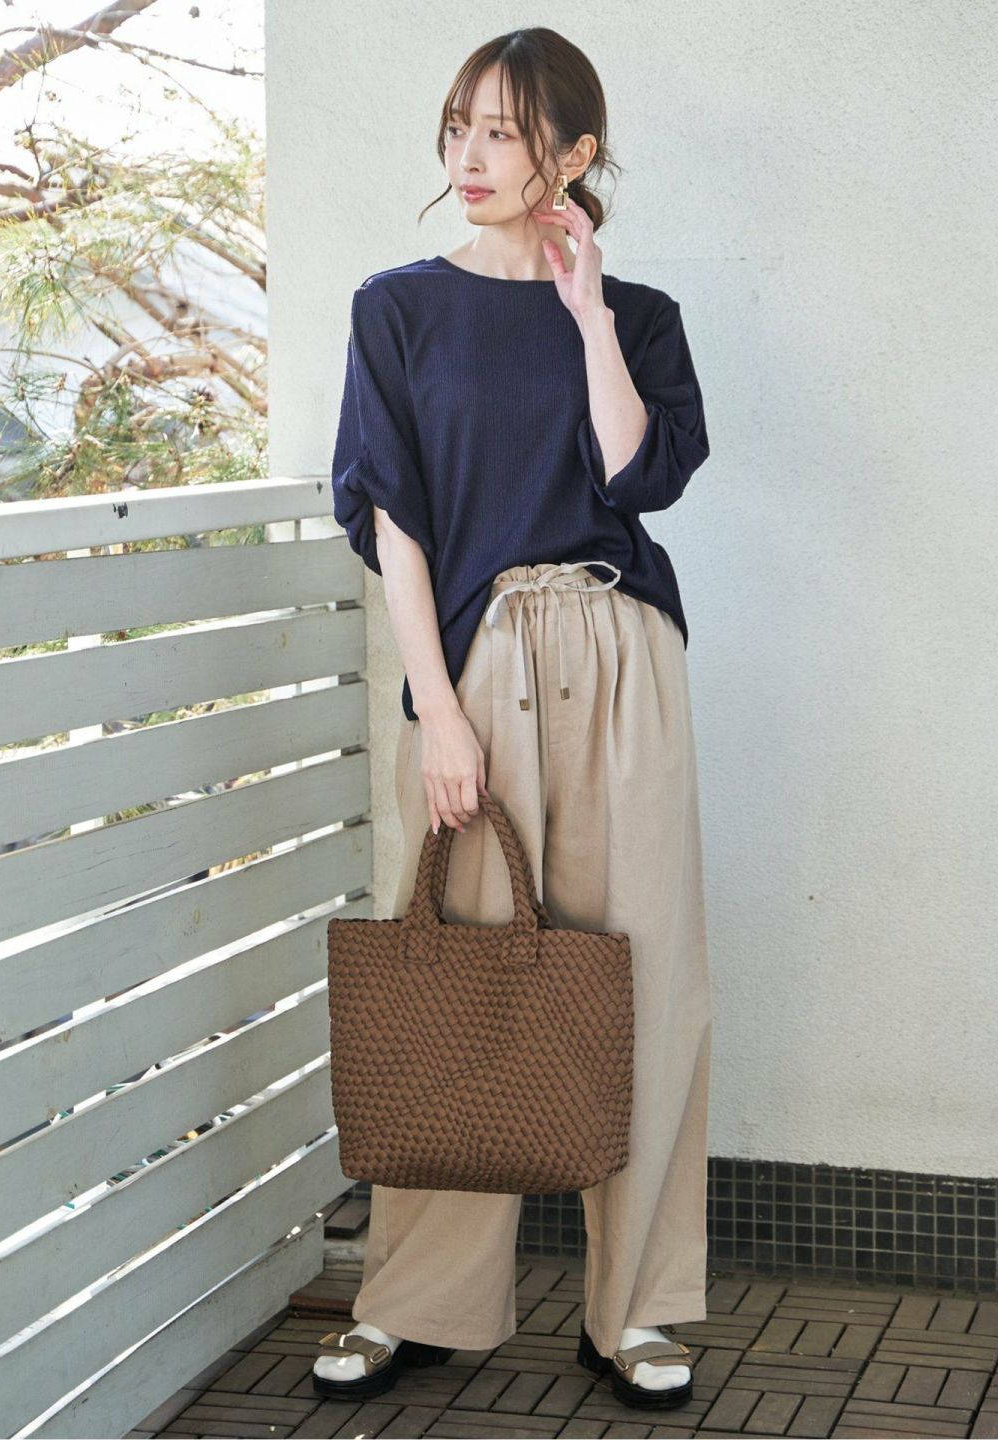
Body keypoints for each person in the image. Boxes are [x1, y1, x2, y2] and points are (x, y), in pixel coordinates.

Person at [316, 26, 713, 1411]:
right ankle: (411, 1301)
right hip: (473, 662)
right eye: (459, 126)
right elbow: (393, 520)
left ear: (574, 154)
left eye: (503, 131)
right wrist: (437, 712)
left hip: (621, 655)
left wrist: (588, 312)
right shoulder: (397, 310)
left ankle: (635, 1314)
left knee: (646, 986)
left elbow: (638, 475)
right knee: (452, 978)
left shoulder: (640, 316)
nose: (470, 156)